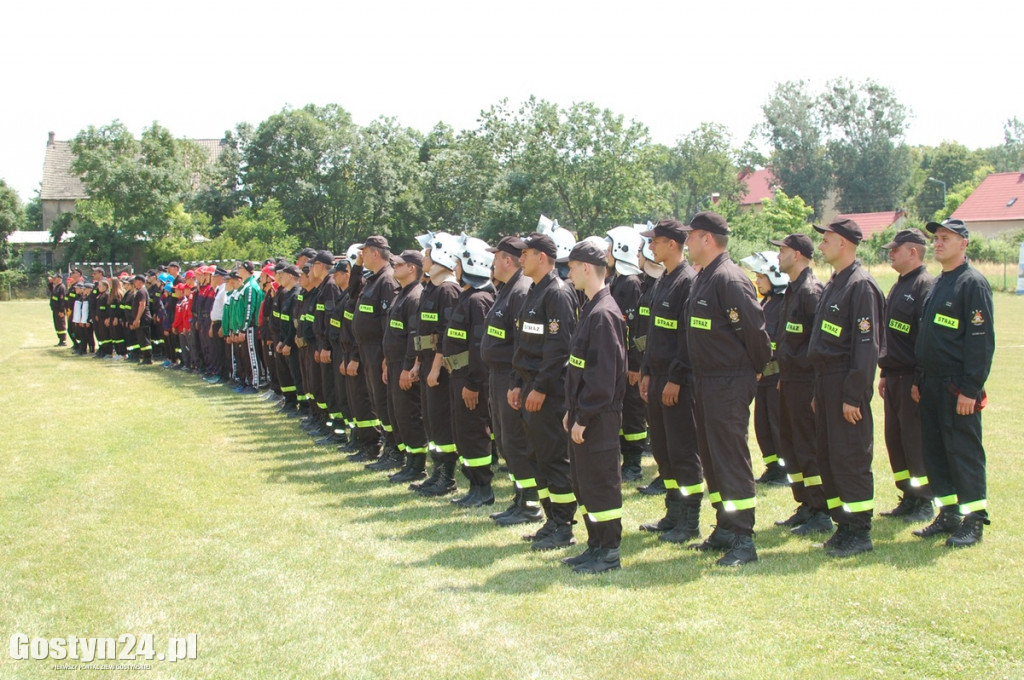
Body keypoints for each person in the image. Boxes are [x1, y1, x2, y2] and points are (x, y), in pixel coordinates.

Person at [684, 211, 772, 566]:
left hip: (728, 381)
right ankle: (724, 526)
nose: (687, 242)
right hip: (706, 381)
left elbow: (755, 335)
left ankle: (742, 538)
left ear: (707, 239)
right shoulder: (705, 277)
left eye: (691, 236)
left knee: (731, 459)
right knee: (712, 457)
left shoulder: (729, 279)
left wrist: (751, 373)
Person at [913, 218, 995, 547]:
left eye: (946, 238)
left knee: (963, 451)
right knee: (936, 452)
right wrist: (920, 379)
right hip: (931, 383)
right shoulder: (938, 283)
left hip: (956, 386)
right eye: (936, 239)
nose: (938, 243)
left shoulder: (971, 284)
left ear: (964, 244)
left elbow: (980, 342)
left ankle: (974, 520)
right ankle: (948, 513)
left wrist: (971, 389)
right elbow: (929, 338)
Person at [808, 218, 885, 557]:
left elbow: (866, 348)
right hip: (826, 382)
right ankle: (843, 524)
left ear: (845, 244)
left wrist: (854, 395)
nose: (821, 245)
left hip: (845, 383)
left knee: (850, 456)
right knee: (829, 455)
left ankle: (859, 530)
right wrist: (817, 391)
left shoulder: (861, 286)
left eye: (826, 240)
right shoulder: (836, 282)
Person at [561, 239, 627, 573]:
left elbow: (603, 377)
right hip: (585, 412)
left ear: (586, 268)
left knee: (601, 483)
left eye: (571, 267)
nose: (568, 273)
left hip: (599, 416)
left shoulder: (603, 314)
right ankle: (595, 544)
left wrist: (583, 416)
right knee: (584, 482)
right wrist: (571, 411)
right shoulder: (590, 308)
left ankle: (609, 551)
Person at [510, 232, 579, 550]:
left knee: (553, 458)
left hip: (547, 394)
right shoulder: (532, 292)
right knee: (535, 457)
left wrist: (539, 388)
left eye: (526, 253)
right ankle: (551, 519)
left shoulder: (558, 293)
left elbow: (559, 350)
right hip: (528, 388)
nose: (520, 258)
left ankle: (564, 526)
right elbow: (523, 343)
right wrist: (516, 382)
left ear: (542, 257)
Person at [637, 219, 703, 544]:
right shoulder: (663, 280)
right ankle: (673, 513)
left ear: (673, 244)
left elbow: (686, 339)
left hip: (678, 381)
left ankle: (690, 520)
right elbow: (654, 334)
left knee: (682, 450)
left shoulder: (687, 282)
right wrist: (647, 371)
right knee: (663, 450)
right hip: (658, 376)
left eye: (656, 242)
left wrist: (676, 378)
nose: (651, 247)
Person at [769, 233, 831, 535]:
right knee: (791, 445)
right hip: (789, 380)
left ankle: (821, 510)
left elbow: (818, 345)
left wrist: (815, 387)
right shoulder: (791, 290)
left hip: (807, 382)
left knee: (808, 445)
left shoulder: (811, 291)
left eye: (782, 250)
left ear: (798, 255)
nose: (778, 255)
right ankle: (805, 504)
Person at [877, 229, 935, 523]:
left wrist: (919, 378)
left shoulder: (925, 286)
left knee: (915, 441)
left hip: (912, 377)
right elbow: (890, 337)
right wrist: (885, 371)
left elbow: (926, 339)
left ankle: (924, 500)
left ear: (913, 252)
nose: (891, 253)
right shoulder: (898, 286)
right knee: (895, 439)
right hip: (895, 376)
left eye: (895, 249)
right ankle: (908, 495)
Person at [481, 236, 538, 524]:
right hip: (498, 375)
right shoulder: (507, 289)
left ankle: (530, 504)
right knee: (504, 440)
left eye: (496, 257)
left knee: (515, 439)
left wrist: (517, 381)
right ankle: (519, 498)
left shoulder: (520, 291)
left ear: (507, 260)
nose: (492, 262)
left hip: (510, 377)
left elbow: (523, 343)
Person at [445, 236, 496, 507]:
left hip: (469, 380)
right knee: (463, 431)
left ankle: (483, 488)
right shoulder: (467, 297)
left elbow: (479, 348)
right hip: (459, 377)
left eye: (458, 263)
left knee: (474, 431)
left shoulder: (478, 300)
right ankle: (474, 485)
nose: (454, 267)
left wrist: (473, 383)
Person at [411, 233, 462, 494]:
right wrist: (419, 363)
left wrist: (435, 367)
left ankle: (447, 477)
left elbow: (445, 334)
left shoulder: (449, 289)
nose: (423, 257)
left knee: (441, 420)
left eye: (427, 253)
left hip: (440, 368)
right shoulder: (432, 288)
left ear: (441, 255)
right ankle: (436, 472)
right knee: (431, 420)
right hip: (428, 362)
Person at [740, 252, 789, 488]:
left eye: (761, 277)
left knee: (777, 423)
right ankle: (772, 466)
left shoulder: (782, 305)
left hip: (775, 376)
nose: (757, 282)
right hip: (762, 378)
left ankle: (784, 468)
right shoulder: (765, 303)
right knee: (763, 424)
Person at [604, 226, 648, 482]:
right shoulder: (616, 280)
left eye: (610, 248)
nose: (607, 253)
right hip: (617, 360)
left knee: (633, 411)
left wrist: (634, 363)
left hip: (629, 362)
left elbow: (635, 328)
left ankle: (634, 462)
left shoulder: (631, 283)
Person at [351, 237, 400, 465]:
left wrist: (384, 358)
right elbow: (352, 294)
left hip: (378, 352)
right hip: (367, 350)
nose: (361, 256)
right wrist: (357, 266)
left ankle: (394, 450)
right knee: (375, 400)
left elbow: (386, 324)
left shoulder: (387, 281)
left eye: (364, 252)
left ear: (374, 252)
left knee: (383, 402)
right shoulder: (372, 280)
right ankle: (387, 447)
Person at [382, 250, 429, 480]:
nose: (394, 267)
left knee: (409, 414)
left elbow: (414, 336)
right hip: (392, 363)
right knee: (397, 414)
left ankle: (417, 465)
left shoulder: (415, 296)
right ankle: (409, 461)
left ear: (412, 268)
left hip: (403, 365)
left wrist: (408, 366)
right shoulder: (401, 294)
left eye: (399, 264)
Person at [129, 274, 154, 365]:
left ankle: (148, 358)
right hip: (142, 318)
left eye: (135, 281)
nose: (134, 284)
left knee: (144, 338)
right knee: (141, 338)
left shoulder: (141, 292)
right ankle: (145, 357)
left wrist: (137, 319)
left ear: (139, 281)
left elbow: (142, 305)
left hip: (143, 319)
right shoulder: (140, 291)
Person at [48, 273, 68, 346]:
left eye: (54, 278)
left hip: (59, 310)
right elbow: (51, 290)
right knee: (57, 325)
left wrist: (61, 311)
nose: (53, 279)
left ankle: (63, 340)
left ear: (59, 279)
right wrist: (50, 283)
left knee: (61, 324)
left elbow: (62, 300)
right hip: (55, 309)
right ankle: (60, 340)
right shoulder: (56, 287)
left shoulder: (61, 287)